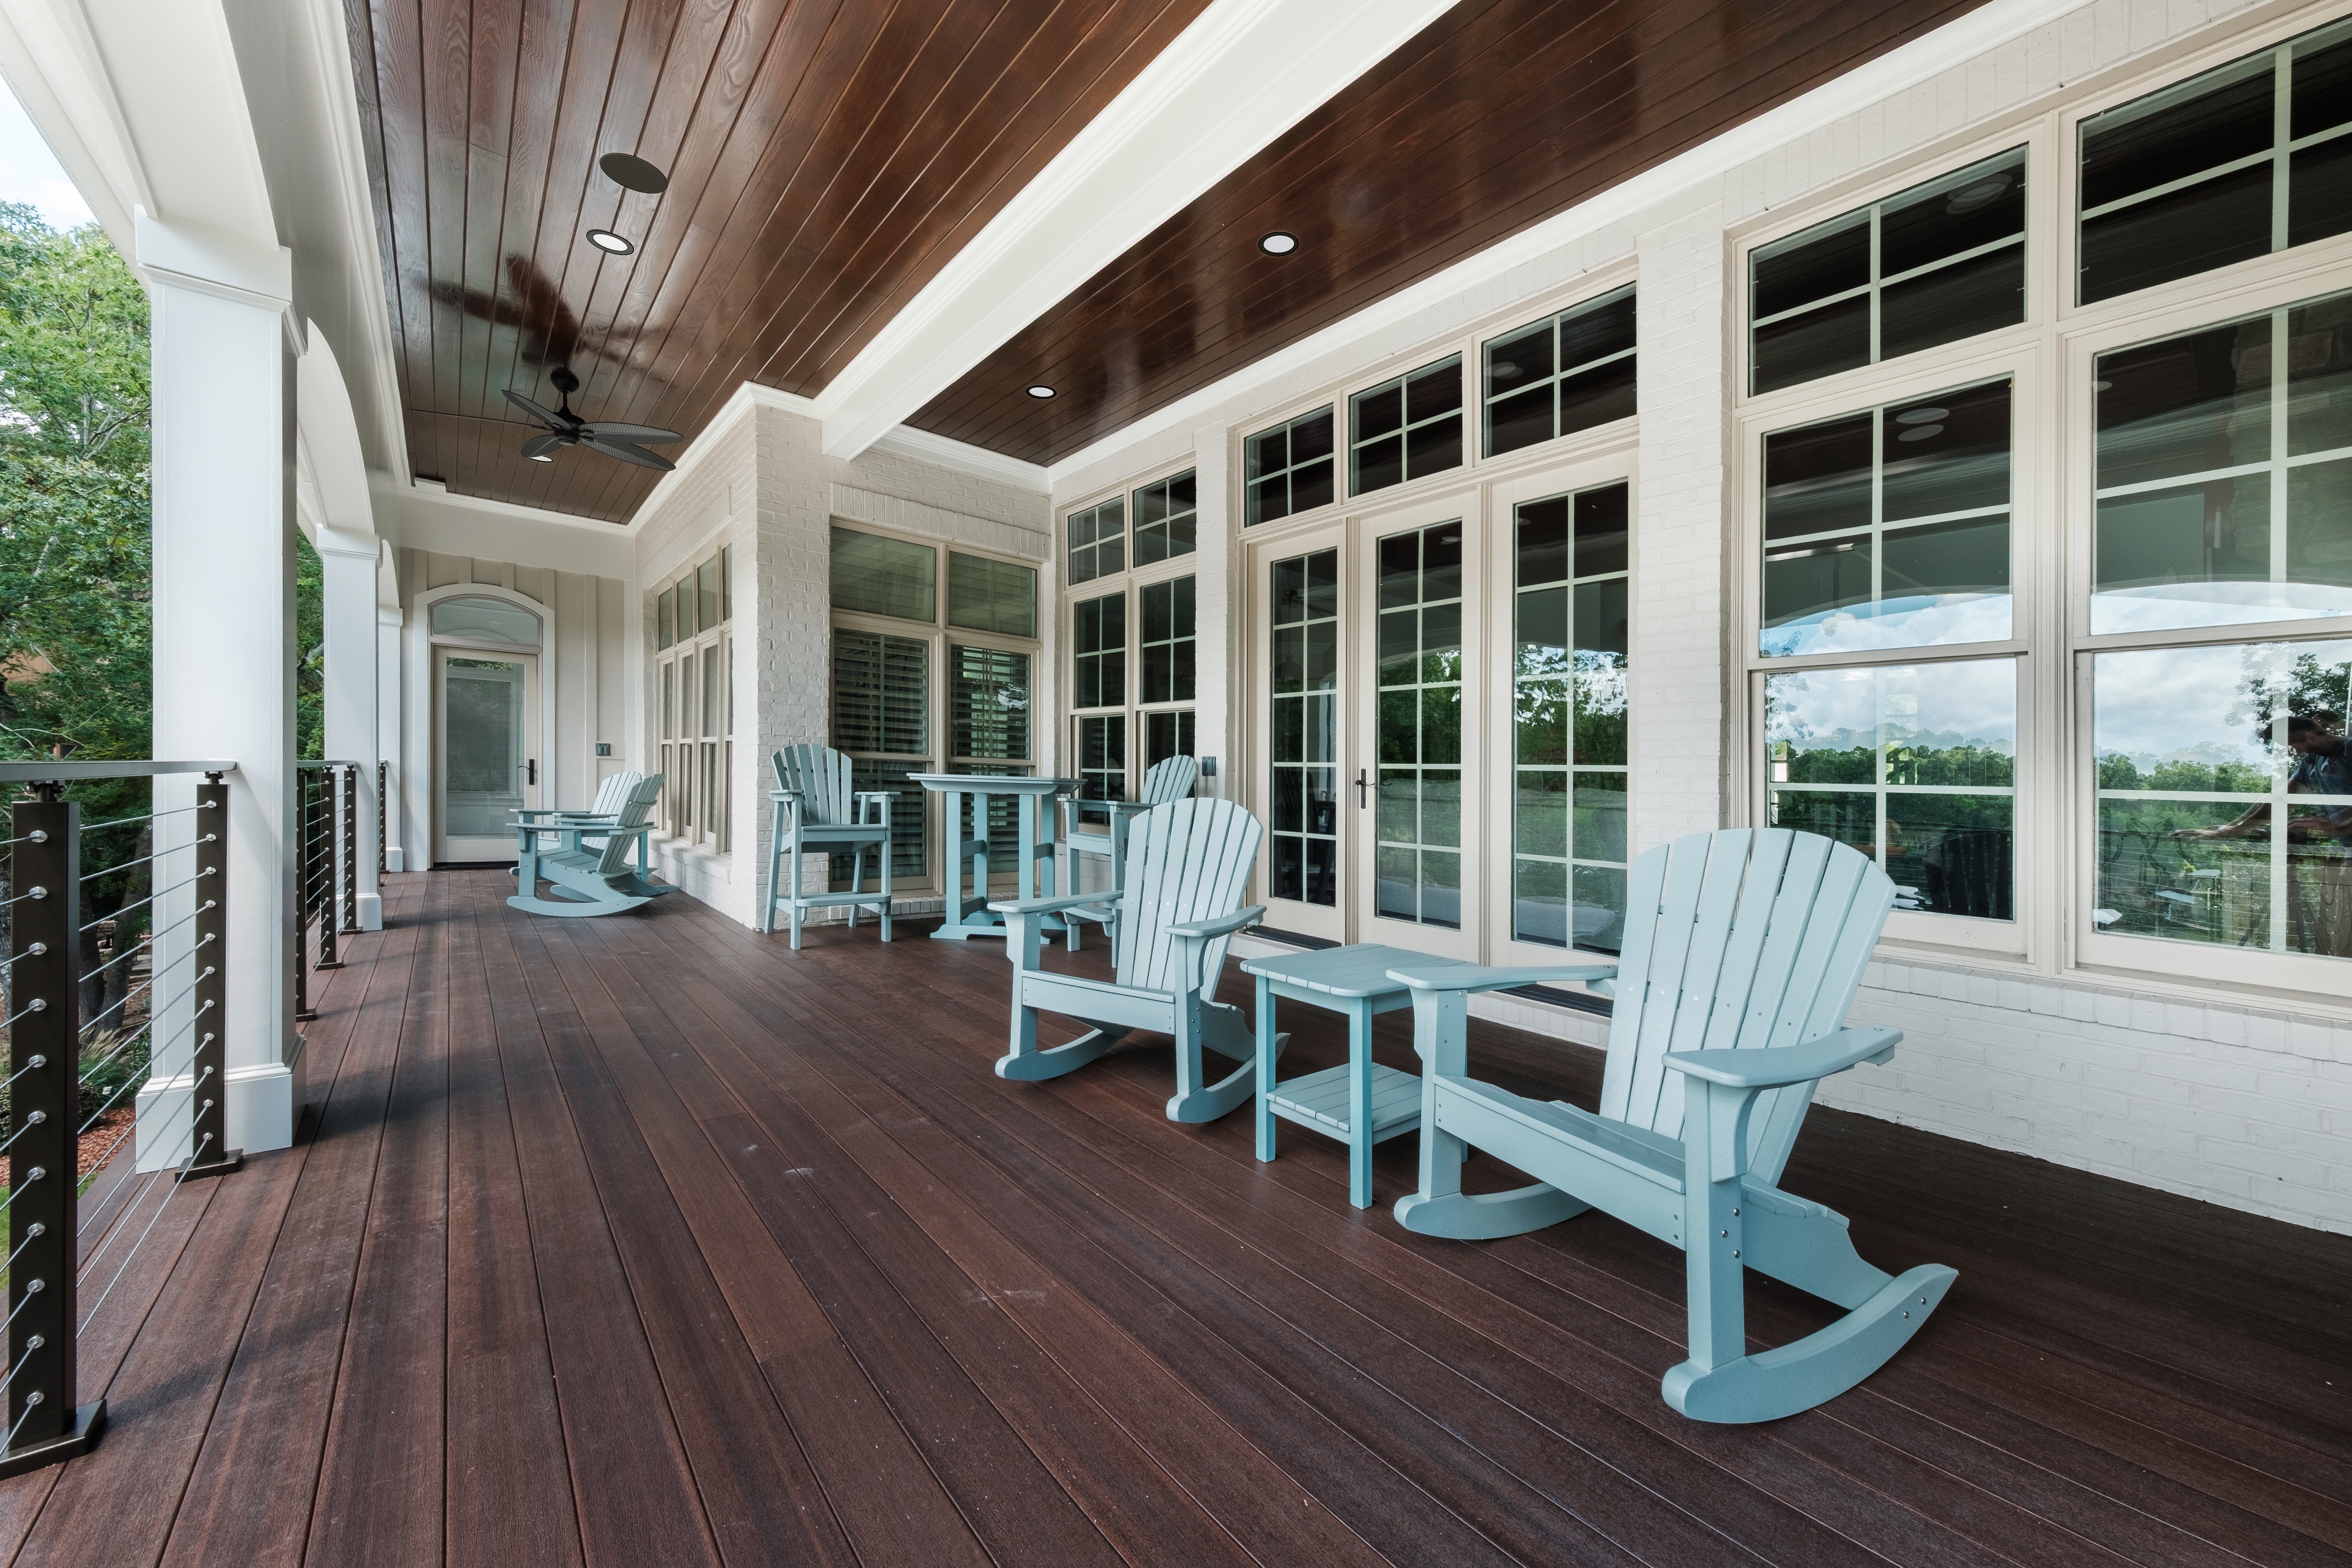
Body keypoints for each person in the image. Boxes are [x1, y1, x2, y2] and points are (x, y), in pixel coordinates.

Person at [2175, 709, 2351, 956]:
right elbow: (2280, 801)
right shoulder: (2312, 762)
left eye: (2294, 745)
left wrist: (2335, 827)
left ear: (2310, 737)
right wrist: (2231, 830)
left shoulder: (2349, 751)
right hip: (2349, 849)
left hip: (2346, 843)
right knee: (2343, 916)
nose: (2296, 751)